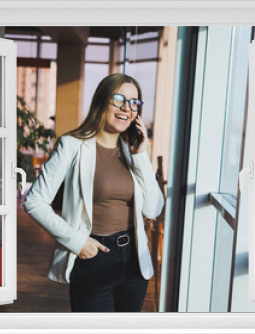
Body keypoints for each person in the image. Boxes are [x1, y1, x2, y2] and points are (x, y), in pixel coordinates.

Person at [23, 73, 165, 312]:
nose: (126, 108)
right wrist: (78, 243)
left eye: (134, 102)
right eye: (118, 99)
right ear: (101, 100)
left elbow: (153, 209)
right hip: (93, 258)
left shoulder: (133, 150)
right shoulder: (72, 145)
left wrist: (142, 155)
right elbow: (34, 201)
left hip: (134, 261)